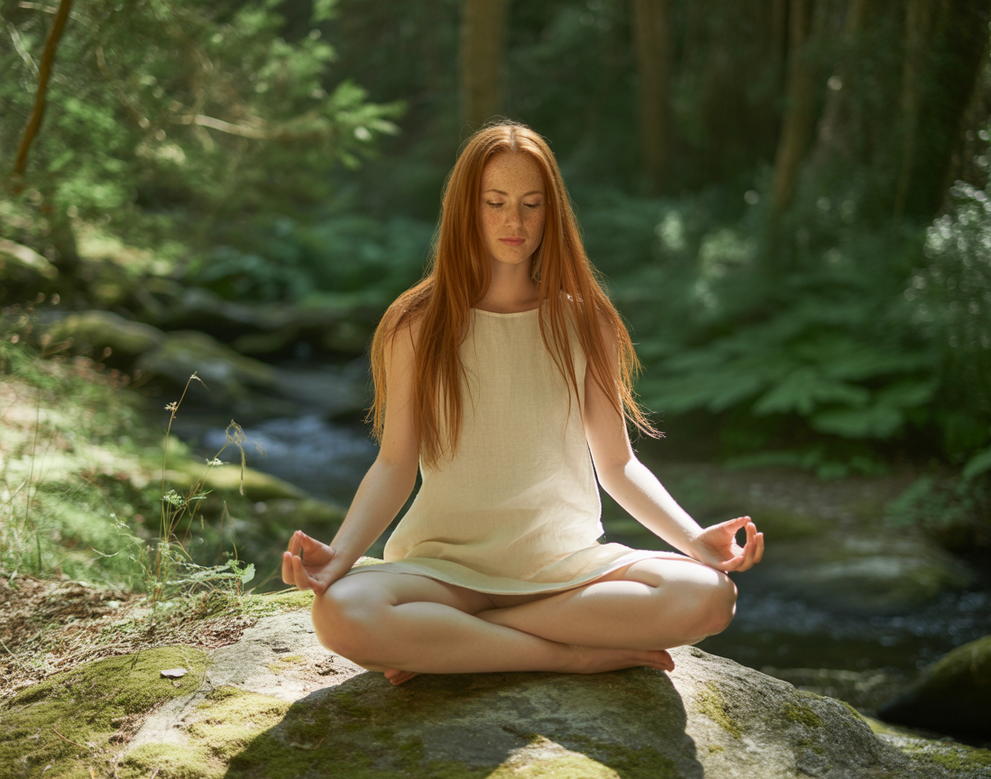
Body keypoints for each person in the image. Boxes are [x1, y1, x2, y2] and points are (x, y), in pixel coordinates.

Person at [282, 121, 763, 686]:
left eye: (532, 205)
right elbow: (394, 465)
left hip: (564, 570)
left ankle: (455, 640)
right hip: (443, 572)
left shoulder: (585, 320)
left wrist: (694, 540)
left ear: (551, 213)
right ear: (466, 209)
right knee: (340, 613)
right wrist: (339, 556)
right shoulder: (416, 324)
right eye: (496, 203)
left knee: (709, 597)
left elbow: (617, 464)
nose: (515, 222)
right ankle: (566, 655)